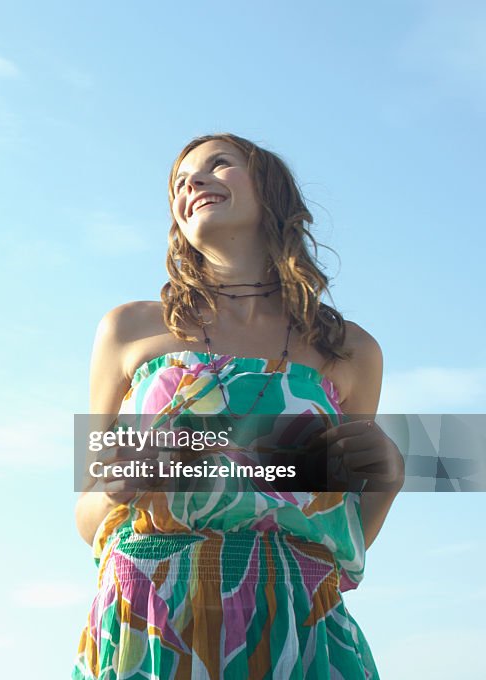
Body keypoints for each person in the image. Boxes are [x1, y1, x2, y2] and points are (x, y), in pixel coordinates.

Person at [71, 133, 405, 679]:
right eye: (179, 183)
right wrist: (113, 486)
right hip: (151, 618)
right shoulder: (127, 330)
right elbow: (86, 516)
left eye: (217, 165)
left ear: (272, 192)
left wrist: (388, 480)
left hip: (295, 620)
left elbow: (338, 532)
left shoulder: (350, 350)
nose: (191, 184)